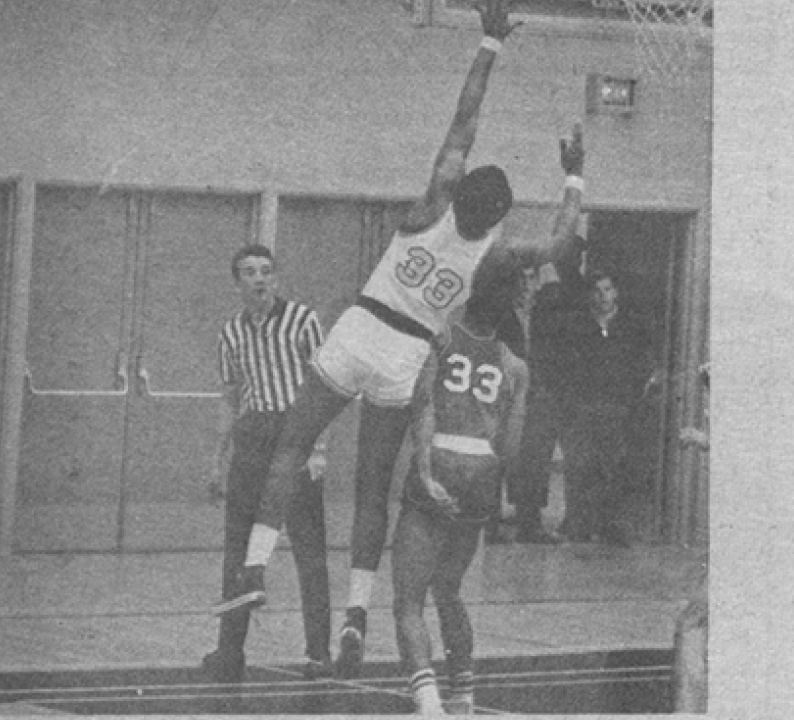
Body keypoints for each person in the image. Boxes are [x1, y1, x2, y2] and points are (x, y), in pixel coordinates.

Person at [211, 0, 590, 681]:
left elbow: (463, 124)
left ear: (461, 190)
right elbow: (563, 241)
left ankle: (256, 564)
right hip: (409, 352)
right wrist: (573, 173)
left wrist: (489, 44)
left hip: (362, 328)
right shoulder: (495, 258)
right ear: (499, 214)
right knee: (373, 490)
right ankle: (357, 613)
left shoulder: (430, 206)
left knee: (292, 446)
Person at [389, 258, 529, 715]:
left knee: (408, 601)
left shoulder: (442, 337)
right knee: (449, 590)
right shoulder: (514, 364)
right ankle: (464, 697)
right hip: (482, 473)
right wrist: (489, 491)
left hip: (443, 459)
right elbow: (511, 447)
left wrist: (427, 473)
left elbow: (423, 406)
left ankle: (429, 705)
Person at [200, 245, 335, 683]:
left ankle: (318, 653)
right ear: (237, 282)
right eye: (249, 272)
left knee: (309, 551)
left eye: (265, 271)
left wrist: (319, 449)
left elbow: (325, 390)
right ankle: (229, 651)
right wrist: (217, 460)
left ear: (275, 278)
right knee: (237, 551)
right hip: (253, 438)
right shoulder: (231, 332)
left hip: (295, 436)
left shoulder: (303, 320)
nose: (258, 279)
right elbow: (229, 397)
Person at [554, 269, 662, 547]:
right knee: (580, 466)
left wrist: (634, 392)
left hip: (618, 407)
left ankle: (611, 525)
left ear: (616, 293)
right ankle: (579, 524)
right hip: (584, 407)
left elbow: (645, 362)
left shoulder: (630, 327)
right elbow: (566, 366)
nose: (603, 297)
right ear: (590, 295)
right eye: (597, 291)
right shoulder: (578, 326)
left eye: (607, 290)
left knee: (613, 467)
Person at [491, 253, 573, 544]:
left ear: (538, 281)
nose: (526, 285)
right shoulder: (499, 313)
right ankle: (489, 525)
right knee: (499, 454)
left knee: (536, 457)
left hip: (539, 394)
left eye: (531, 278)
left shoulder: (549, 313)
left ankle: (530, 524)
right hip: (505, 395)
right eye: (521, 278)